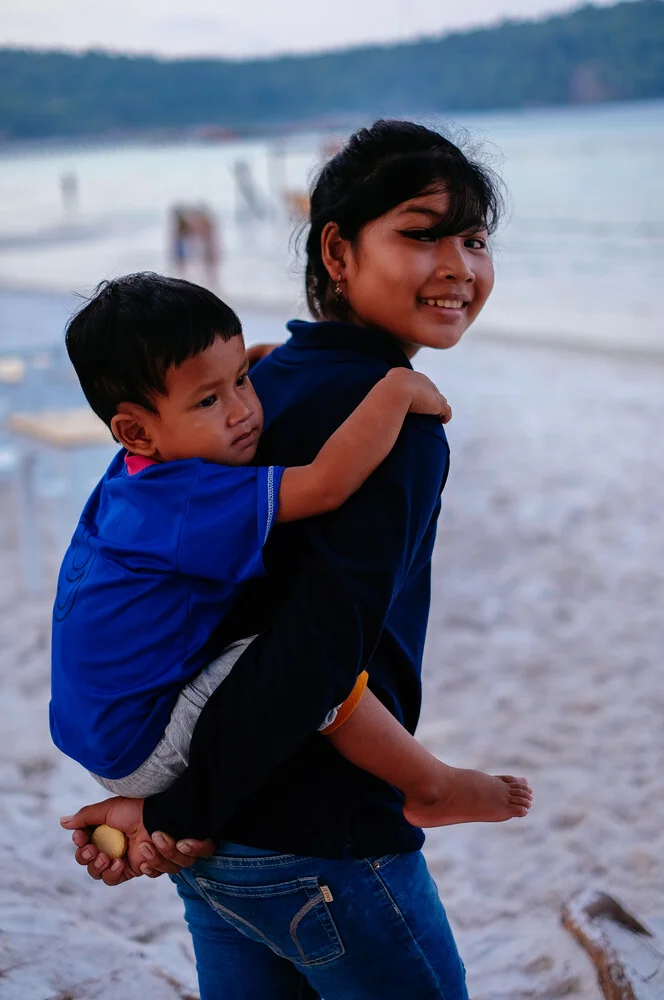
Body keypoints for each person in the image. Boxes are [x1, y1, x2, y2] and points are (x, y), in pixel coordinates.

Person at [63, 120, 532, 999]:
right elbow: (314, 658)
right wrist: (169, 811)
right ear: (338, 250)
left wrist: (169, 812)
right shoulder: (394, 422)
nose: (458, 266)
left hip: (217, 850)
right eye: (420, 232)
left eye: (474, 238)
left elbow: (139, 547)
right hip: (318, 845)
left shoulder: (237, 389)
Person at [53, 272, 529, 818]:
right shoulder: (191, 500)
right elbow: (326, 483)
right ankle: (431, 785)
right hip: (142, 743)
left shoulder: (134, 477)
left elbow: (214, 398)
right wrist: (396, 391)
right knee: (305, 665)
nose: (242, 411)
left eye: (242, 380)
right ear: (135, 431)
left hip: (96, 725)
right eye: (209, 399)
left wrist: (240, 369)